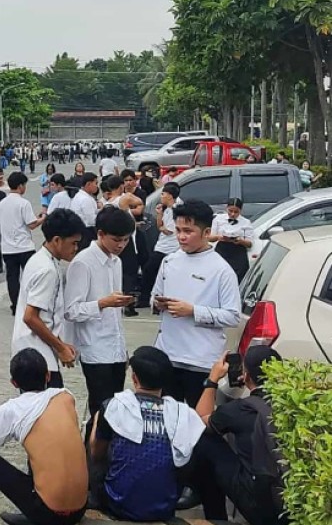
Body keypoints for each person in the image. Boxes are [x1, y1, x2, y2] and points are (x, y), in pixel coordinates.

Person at [0, 349, 88, 525]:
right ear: (48, 376)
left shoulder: (13, 408)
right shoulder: (65, 397)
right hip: (79, 510)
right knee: (47, 448)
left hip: (49, 515)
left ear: (14, 383)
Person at [89, 346, 205, 522]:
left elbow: (96, 453)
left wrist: (99, 418)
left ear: (134, 378)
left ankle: (95, 499)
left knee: (97, 436)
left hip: (118, 505)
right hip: (164, 507)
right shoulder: (183, 413)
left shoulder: (113, 406)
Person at [152, 200, 241, 407]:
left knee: (198, 420)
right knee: (168, 416)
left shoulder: (221, 270)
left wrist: (193, 311)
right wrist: (159, 304)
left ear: (207, 232)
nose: (181, 236)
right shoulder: (169, 261)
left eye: (188, 231)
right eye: (178, 230)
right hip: (167, 355)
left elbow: (232, 316)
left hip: (200, 360)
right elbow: (154, 296)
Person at [191, 347, 287, 525]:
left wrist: (213, 379)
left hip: (262, 509)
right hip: (294, 505)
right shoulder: (297, 404)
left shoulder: (240, 409)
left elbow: (199, 420)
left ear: (246, 376)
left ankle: (216, 517)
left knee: (205, 440)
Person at [65, 206, 136, 418]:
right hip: (94, 349)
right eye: (116, 240)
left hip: (115, 348)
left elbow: (115, 315)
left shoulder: (116, 261)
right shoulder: (83, 262)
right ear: (101, 234)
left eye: (126, 240)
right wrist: (103, 303)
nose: (121, 245)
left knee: (115, 409)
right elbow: (71, 311)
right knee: (100, 410)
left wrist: (122, 348)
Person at [11, 209, 85, 388]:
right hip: (37, 358)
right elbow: (30, 317)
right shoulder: (47, 270)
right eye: (73, 243)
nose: (76, 248)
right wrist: (60, 348)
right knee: (52, 403)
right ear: (57, 240)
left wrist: (60, 343)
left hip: (33, 353)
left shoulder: (41, 259)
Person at [0, 172, 45, 314]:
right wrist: (43, 218)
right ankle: (31, 304)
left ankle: (15, 305)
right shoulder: (24, 203)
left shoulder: (1, 203)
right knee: (31, 277)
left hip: (7, 248)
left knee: (12, 278)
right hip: (24, 247)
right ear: (20, 186)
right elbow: (32, 224)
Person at [103, 175, 145, 316]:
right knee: (130, 272)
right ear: (121, 186)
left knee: (117, 271)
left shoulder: (107, 203)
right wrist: (134, 208)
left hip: (112, 241)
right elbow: (139, 202)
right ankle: (128, 303)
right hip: (126, 240)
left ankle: (117, 299)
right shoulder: (124, 199)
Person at [140, 183, 181, 309]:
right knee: (152, 270)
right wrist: (159, 214)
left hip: (170, 248)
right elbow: (160, 227)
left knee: (150, 270)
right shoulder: (167, 209)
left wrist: (163, 228)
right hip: (162, 245)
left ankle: (146, 298)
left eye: (163, 194)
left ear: (170, 196)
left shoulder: (176, 210)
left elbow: (168, 230)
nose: (161, 196)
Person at [210, 198, 254, 282]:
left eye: (236, 212)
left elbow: (250, 244)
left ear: (240, 210)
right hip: (222, 250)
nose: (233, 214)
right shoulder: (218, 219)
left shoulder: (246, 222)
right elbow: (210, 238)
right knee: (220, 276)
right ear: (226, 208)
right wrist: (219, 237)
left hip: (238, 252)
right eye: (230, 211)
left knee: (238, 278)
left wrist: (240, 241)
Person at [69, 173, 99, 251]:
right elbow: (92, 220)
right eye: (95, 183)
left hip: (79, 231)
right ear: (88, 184)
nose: (97, 186)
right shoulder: (85, 199)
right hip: (86, 233)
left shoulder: (80, 196)